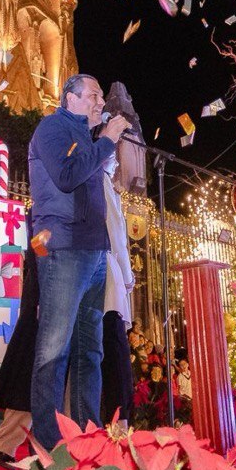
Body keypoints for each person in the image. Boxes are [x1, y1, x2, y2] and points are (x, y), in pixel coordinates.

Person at [28, 74, 131, 450]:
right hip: (63, 249)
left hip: (93, 251)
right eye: (93, 95)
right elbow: (68, 176)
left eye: (101, 95)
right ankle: (47, 443)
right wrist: (106, 140)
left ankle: (87, 438)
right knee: (54, 348)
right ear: (69, 98)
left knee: (91, 349)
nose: (100, 102)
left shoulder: (86, 138)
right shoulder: (52, 129)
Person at [0, 248, 38, 469]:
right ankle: (5, 446)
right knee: (26, 381)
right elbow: (40, 251)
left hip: (44, 307)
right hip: (40, 310)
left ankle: (27, 447)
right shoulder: (42, 225)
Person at [98, 130, 136, 424]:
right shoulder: (101, 183)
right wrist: (127, 275)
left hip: (102, 274)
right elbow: (116, 234)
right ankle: (118, 419)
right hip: (109, 276)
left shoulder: (99, 183)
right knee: (114, 352)